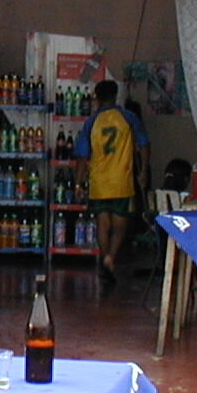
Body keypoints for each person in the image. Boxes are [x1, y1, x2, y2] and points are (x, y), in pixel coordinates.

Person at [75, 79, 149, 285]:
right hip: (121, 181)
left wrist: (79, 183)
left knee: (103, 223)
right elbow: (144, 143)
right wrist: (143, 171)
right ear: (115, 96)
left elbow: (82, 156)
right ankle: (111, 257)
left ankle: (104, 256)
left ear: (97, 98)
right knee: (120, 224)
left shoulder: (91, 122)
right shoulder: (129, 117)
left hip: (98, 182)